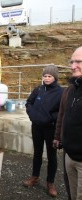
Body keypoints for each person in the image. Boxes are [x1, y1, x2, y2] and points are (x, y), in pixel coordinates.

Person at [23, 65, 63, 197]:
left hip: (51, 129)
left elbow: (62, 111)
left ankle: (50, 183)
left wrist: (52, 118)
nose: (46, 78)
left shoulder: (60, 92)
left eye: (49, 76)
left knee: (52, 156)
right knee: (37, 153)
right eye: (45, 76)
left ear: (55, 77)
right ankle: (35, 177)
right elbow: (29, 103)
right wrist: (32, 115)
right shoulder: (38, 89)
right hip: (37, 127)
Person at [53, 46, 82, 200]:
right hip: (69, 155)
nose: (73, 66)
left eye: (78, 62)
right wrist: (58, 137)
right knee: (72, 194)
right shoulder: (70, 90)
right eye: (71, 62)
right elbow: (62, 116)